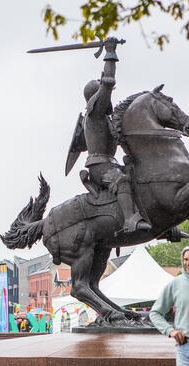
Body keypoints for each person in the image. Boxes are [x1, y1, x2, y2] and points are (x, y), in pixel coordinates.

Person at [71, 36, 150, 233]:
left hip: (111, 162)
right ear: (95, 97)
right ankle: (130, 220)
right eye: (104, 94)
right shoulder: (95, 114)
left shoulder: (104, 118)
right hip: (99, 167)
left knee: (143, 178)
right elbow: (108, 82)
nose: (109, 96)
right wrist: (110, 52)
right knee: (121, 181)